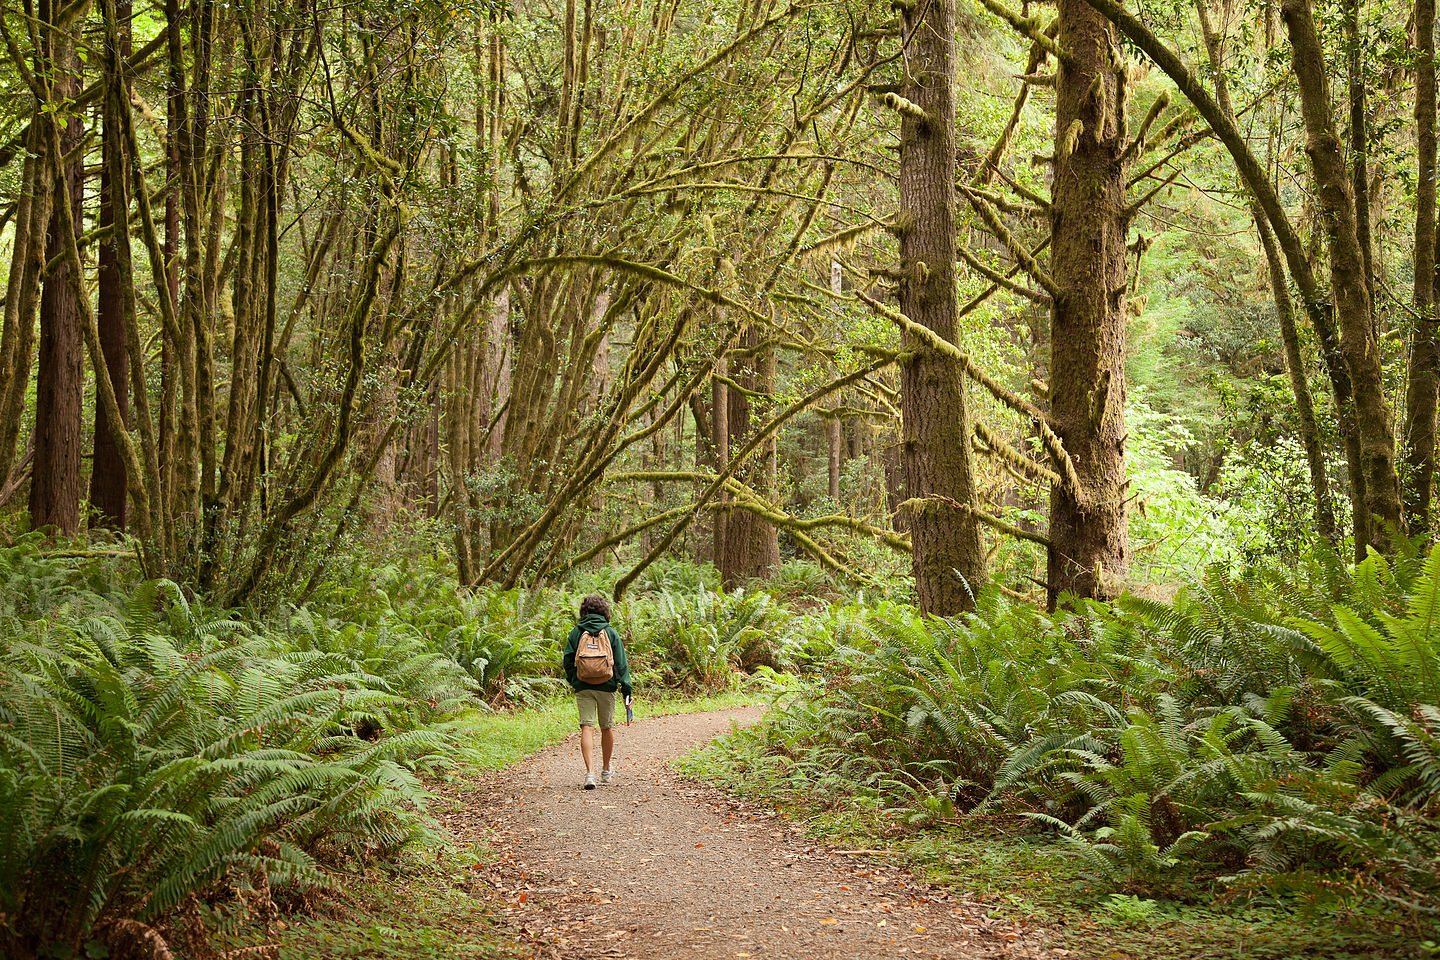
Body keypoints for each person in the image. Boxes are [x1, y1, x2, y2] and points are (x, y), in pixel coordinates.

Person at [562, 593, 633, 789]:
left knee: (587, 726)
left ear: (583, 611)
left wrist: (574, 679)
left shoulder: (576, 632)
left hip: (583, 686)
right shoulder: (611, 633)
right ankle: (606, 769)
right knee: (606, 727)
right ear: (605, 611)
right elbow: (621, 664)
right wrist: (626, 689)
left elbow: (568, 659)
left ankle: (589, 774)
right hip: (607, 686)